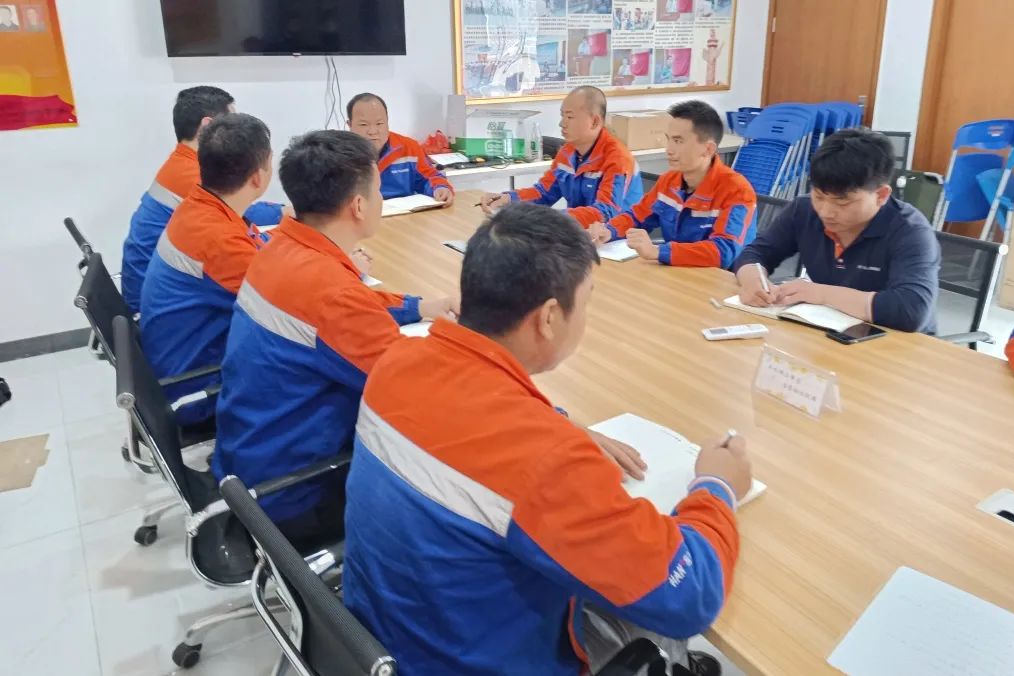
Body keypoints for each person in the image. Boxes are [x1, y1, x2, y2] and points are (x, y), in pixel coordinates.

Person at [343, 202, 750, 676]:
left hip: (378, 642)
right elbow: (690, 597)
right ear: (550, 316)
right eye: (588, 300)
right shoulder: (546, 460)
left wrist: (553, 421)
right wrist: (717, 486)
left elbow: (470, 427)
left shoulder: (398, 361)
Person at [211, 130, 458, 546]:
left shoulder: (280, 248)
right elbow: (417, 385)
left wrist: (418, 307)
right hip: (296, 492)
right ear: (358, 205)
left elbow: (343, 312)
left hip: (248, 457)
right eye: (378, 190)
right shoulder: (332, 293)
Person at [139, 114, 277, 427]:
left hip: (181, 360)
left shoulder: (200, 207)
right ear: (259, 176)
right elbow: (298, 302)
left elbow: (257, 248)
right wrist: (346, 266)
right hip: (197, 389)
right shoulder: (219, 240)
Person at [734, 129, 941, 333]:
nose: (826, 212)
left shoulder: (910, 231)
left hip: (898, 344)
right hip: (833, 331)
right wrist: (753, 281)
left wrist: (821, 294)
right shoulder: (803, 210)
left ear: (881, 195)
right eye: (819, 196)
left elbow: (911, 310)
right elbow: (756, 253)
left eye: (842, 202)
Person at [121, 86, 287, 314]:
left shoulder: (192, 188)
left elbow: (242, 224)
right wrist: (287, 215)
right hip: (155, 306)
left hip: (162, 297)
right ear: (208, 126)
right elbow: (276, 293)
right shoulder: (192, 181)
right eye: (230, 122)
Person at [590, 100, 756, 268]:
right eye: (668, 139)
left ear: (708, 149)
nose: (668, 150)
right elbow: (636, 216)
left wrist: (658, 252)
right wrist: (608, 231)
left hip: (721, 279)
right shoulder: (669, 181)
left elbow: (722, 252)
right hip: (677, 272)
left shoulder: (737, 190)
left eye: (678, 141)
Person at [479, 86, 642, 228]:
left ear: (594, 122)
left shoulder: (618, 158)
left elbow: (605, 212)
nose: (562, 123)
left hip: (618, 240)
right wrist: (507, 198)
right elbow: (544, 193)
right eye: (562, 116)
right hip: (580, 234)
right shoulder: (567, 152)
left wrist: (551, 218)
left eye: (569, 117)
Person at [346, 92, 454, 205]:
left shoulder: (409, 148)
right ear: (350, 125)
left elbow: (430, 177)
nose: (373, 131)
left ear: (387, 122)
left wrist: (440, 188)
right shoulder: (339, 154)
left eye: (379, 123)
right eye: (363, 125)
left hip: (404, 213)